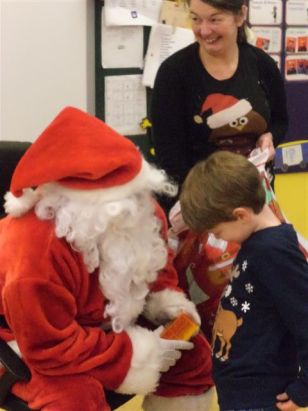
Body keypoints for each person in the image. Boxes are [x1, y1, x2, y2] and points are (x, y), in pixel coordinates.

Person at [0, 107, 214, 411]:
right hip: (24, 340)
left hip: (104, 323)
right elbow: (48, 347)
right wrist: (134, 355)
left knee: (192, 355)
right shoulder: (34, 249)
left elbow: (156, 268)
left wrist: (168, 305)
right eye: (122, 205)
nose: (135, 210)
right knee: (74, 397)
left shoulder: (141, 211)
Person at [180, 150, 308, 411]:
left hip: (260, 397)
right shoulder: (255, 242)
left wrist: (304, 389)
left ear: (240, 215)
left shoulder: (273, 251)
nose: (222, 238)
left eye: (218, 232)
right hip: (241, 392)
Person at [151, 0, 288, 204]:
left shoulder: (262, 65)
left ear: (240, 16)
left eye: (214, 19)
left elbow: (280, 122)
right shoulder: (174, 73)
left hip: (257, 197)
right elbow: (170, 156)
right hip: (200, 203)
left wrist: (269, 137)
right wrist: (211, 202)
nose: (204, 30)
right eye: (196, 19)